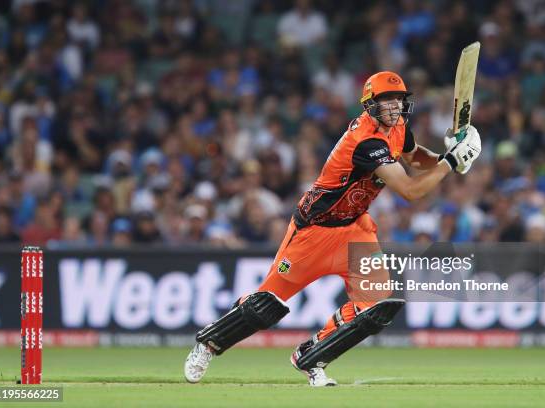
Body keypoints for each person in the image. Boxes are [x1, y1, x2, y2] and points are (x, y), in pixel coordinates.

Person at [184, 71, 482, 386]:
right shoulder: (366, 141)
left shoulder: (398, 130)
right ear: (370, 106)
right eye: (386, 101)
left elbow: (417, 158)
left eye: (399, 99)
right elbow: (411, 191)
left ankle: (311, 355)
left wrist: (452, 157)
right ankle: (208, 343)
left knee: (375, 305)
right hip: (314, 230)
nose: (395, 106)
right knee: (265, 305)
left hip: (355, 228)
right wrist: (450, 163)